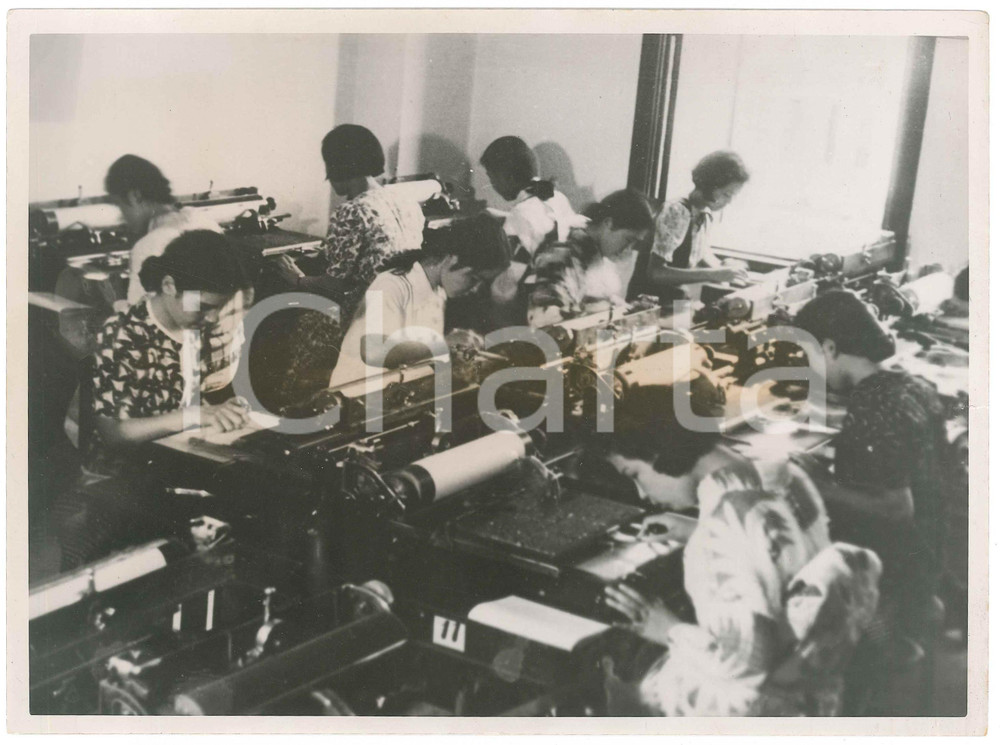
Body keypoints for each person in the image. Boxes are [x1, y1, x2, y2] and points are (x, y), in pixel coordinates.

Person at [592, 384, 881, 716]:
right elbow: (778, 546)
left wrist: (667, 629)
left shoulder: (719, 534)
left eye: (635, 475)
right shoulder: (786, 476)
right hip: (819, 674)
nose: (642, 494)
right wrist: (695, 530)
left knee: (617, 686)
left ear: (659, 453)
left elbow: (744, 670)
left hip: (769, 710)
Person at [791, 290, 950, 637]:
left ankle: (871, 646)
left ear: (829, 348)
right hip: (931, 549)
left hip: (897, 564)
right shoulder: (910, 385)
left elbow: (896, 508)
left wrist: (817, 485)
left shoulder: (872, 405)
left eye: (808, 355)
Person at [82, 230, 255, 478]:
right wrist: (194, 415)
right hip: (116, 477)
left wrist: (217, 412)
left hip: (170, 460)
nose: (213, 318)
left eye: (219, 308)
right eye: (203, 307)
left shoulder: (192, 326)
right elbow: (115, 434)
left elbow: (179, 399)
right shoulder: (122, 333)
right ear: (169, 285)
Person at [328, 214, 510, 387]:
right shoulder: (390, 284)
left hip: (398, 390)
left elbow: (418, 353)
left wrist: (457, 348)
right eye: (474, 278)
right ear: (452, 258)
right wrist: (444, 343)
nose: (475, 288)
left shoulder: (438, 291)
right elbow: (373, 351)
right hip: (358, 394)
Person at [274, 124, 426, 319]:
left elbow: (335, 285)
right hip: (407, 309)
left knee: (287, 318)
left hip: (369, 316)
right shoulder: (406, 201)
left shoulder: (351, 210)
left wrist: (297, 279)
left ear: (337, 166)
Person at [479, 136, 587, 312]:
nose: (493, 186)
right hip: (572, 289)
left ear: (509, 178)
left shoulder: (519, 214)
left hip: (540, 299)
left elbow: (509, 271)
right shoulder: (558, 198)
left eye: (493, 179)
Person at [104, 155, 224, 307]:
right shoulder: (202, 219)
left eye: (120, 205)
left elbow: (140, 316)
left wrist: (121, 305)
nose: (122, 216)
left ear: (135, 196)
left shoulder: (148, 246)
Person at [633, 150, 751, 304]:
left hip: (677, 299)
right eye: (726, 194)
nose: (729, 202)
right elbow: (656, 272)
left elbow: (699, 254)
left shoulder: (705, 214)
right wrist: (715, 274)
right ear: (710, 185)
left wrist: (727, 267)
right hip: (647, 303)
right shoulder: (676, 211)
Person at [527, 189, 654, 328]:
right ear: (609, 223)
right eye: (628, 240)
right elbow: (543, 319)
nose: (628, 249)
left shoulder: (593, 252)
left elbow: (591, 296)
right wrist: (605, 312)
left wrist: (623, 309)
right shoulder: (565, 254)